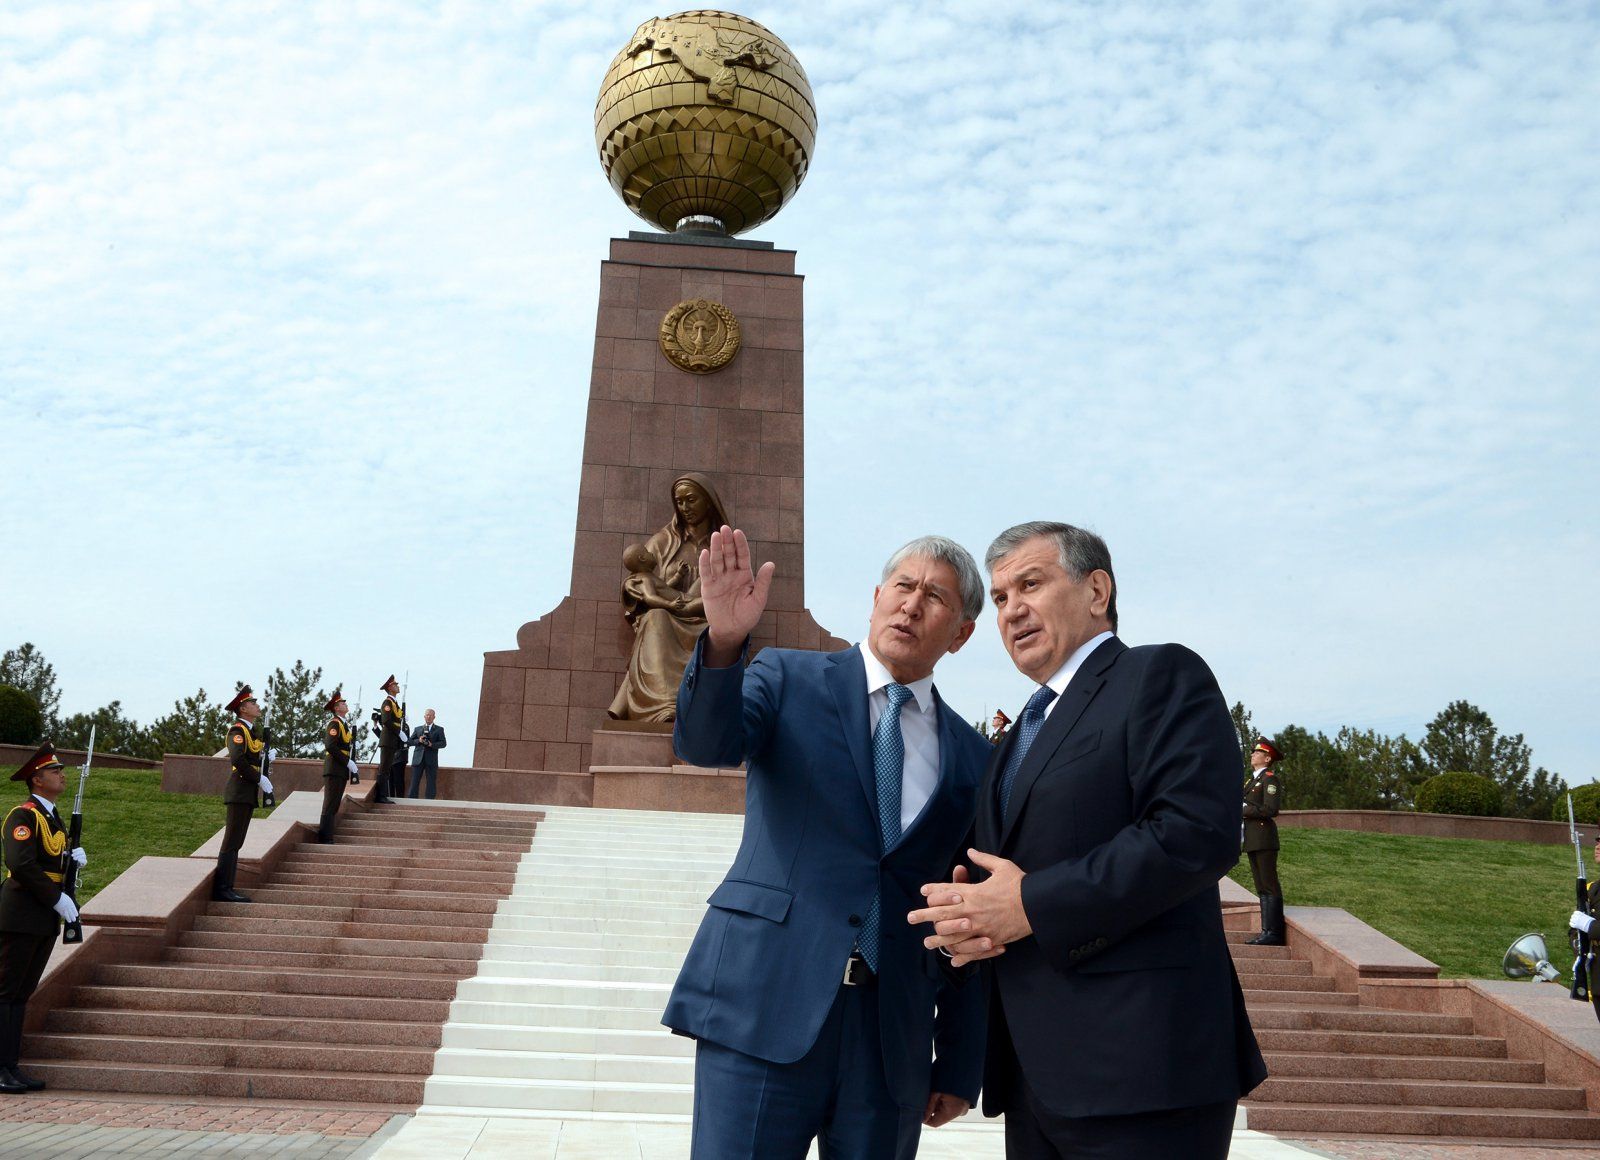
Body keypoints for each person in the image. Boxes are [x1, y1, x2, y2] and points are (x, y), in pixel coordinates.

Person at [910, 521, 1266, 1159]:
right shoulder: (1015, 736)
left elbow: (1195, 834)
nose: (1012, 608)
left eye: (1031, 584)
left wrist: (1030, 905)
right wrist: (968, 923)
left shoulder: (1158, 675)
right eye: (997, 598)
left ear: (1097, 590)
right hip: (1033, 1083)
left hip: (1144, 1073)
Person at [666, 528, 991, 1159]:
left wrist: (957, 1061)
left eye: (935, 597)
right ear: (874, 598)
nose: (911, 605)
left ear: (961, 633)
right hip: (765, 1006)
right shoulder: (786, 676)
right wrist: (727, 641)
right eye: (902, 586)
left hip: (889, 1038)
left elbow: (965, 912)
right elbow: (704, 746)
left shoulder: (975, 758)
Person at [607, 472, 729, 722]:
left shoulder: (723, 546)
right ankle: (666, 706)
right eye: (680, 501)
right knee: (656, 619)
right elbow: (638, 574)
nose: (685, 507)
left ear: (708, 501)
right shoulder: (663, 542)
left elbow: (732, 587)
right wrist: (632, 587)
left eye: (691, 500)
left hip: (708, 618)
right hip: (668, 614)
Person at [0, 743, 87, 1093]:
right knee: (5, 992)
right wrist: (57, 898)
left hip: (41, 916)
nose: (62, 775)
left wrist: (71, 862)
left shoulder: (53, 817)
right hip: (20, 913)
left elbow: (49, 862)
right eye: (55, 771)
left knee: (21, 994)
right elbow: (21, 864)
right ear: (37, 779)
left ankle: (10, 1065)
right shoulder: (23, 815)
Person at [214, 686, 272, 903]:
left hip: (246, 792)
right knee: (231, 842)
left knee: (237, 842)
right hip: (239, 790)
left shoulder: (249, 732)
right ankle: (223, 889)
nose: (257, 706)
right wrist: (259, 778)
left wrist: (265, 759)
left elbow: (251, 757)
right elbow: (238, 760)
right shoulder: (237, 731)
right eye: (253, 703)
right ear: (243, 708)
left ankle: (228, 887)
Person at [1243, 737, 1285, 946]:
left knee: (1269, 885)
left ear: (1267, 758)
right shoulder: (1252, 781)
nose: (1253, 754)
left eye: (1257, 752)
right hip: (1253, 838)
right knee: (1261, 886)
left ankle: (1274, 933)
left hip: (1264, 837)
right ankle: (1266, 931)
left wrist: (1243, 809)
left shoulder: (1269, 780)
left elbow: (1270, 810)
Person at [319, 691, 358, 843]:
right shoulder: (334, 723)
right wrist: (347, 761)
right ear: (336, 708)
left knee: (335, 803)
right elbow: (330, 745)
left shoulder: (343, 724)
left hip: (339, 769)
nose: (345, 704)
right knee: (330, 803)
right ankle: (324, 837)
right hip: (335, 767)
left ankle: (328, 835)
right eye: (342, 703)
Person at [406, 709, 447, 800]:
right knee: (415, 780)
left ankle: (429, 800)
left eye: (430, 715)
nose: (428, 717)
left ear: (434, 717)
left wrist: (431, 744)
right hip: (418, 759)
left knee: (431, 781)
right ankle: (411, 799)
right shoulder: (418, 729)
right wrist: (419, 740)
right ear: (424, 716)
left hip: (431, 759)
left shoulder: (439, 729)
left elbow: (443, 743)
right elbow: (409, 741)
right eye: (427, 715)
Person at [375, 675, 403, 803]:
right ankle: (380, 796)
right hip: (387, 739)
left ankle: (383, 795)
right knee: (384, 767)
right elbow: (386, 720)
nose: (398, 686)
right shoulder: (387, 702)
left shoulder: (394, 703)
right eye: (395, 684)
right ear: (390, 688)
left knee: (387, 768)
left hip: (392, 740)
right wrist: (399, 732)